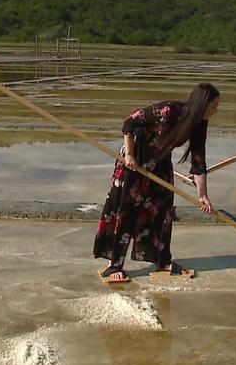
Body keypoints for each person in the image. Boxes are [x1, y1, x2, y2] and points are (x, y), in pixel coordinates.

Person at [93, 83, 220, 282]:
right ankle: (114, 265)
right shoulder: (168, 111)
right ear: (202, 104)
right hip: (135, 160)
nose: (216, 111)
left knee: (163, 210)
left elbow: (198, 161)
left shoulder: (198, 124)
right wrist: (130, 155)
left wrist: (202, 195)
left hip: (159, 162)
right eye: (214, 106)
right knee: (127, 210)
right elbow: (129, 122)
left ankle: (163, 260)